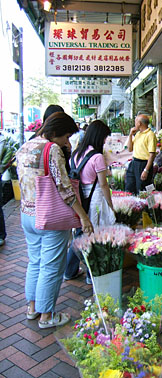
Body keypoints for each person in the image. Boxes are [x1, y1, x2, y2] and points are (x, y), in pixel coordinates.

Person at [16, 112, 93, 329]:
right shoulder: (52, 150)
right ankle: (47, 316)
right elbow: (65, 189)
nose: (67, 142)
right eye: (67, 136)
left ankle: (32, 308)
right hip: (50, 217)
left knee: (35, 262)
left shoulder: (26, 146)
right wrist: (83, 217)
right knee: (51, 267)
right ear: (56, 132)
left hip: (27, 214)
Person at [64, 120, 115, 283]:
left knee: (80, 233)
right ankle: (90, 275)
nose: (105, 141)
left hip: (78, 199)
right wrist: (110, 205)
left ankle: (69, 270)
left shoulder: (77, 152)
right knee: (92, 235)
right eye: (105, 137)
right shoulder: (97, 157)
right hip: (94, 199)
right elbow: (103, 184)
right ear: (99, 136)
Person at [125, 114, 157, 195]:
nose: (134, 123)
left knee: (144, 189)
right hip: (134, 162)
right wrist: (130, 135)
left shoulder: (150, 135)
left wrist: (146, 170)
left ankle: (149, 206)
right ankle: (131, 205)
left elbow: (152, 155)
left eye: (135, 121)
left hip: (144, 164)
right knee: (130, 186)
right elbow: (129, 149)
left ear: (139, 123)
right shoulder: (138, 134)